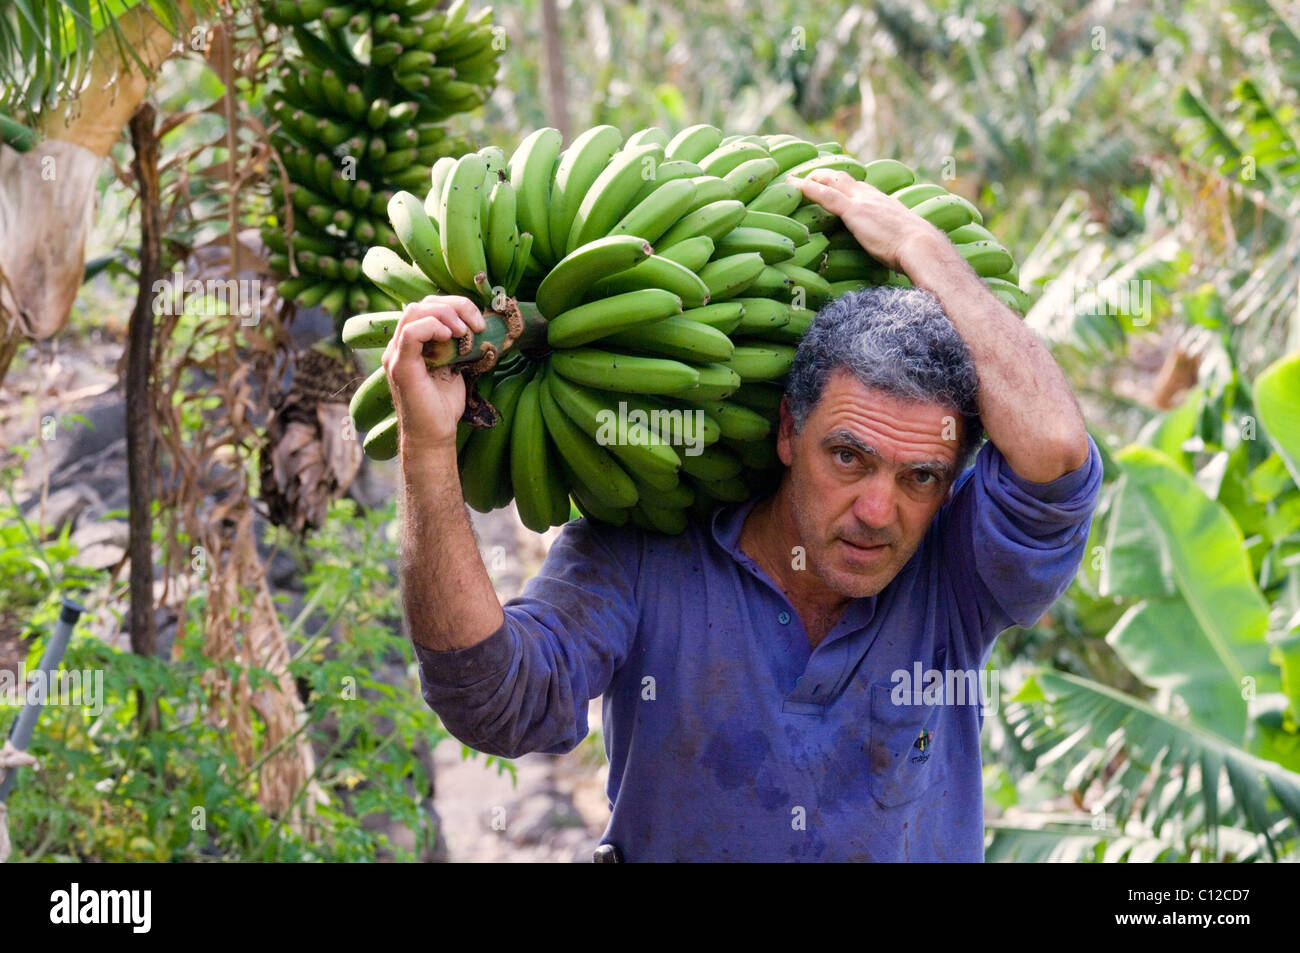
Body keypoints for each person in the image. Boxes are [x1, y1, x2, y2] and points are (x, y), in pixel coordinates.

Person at [381, 168, 1103, 861]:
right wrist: (427, 447)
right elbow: (493, 702)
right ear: (789, 430)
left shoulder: (958, 576)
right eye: (847, 458)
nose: (878, 510)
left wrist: (924, 251)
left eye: (920, 476)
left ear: (951, 483)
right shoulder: (645, 551)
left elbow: (1057, 446)